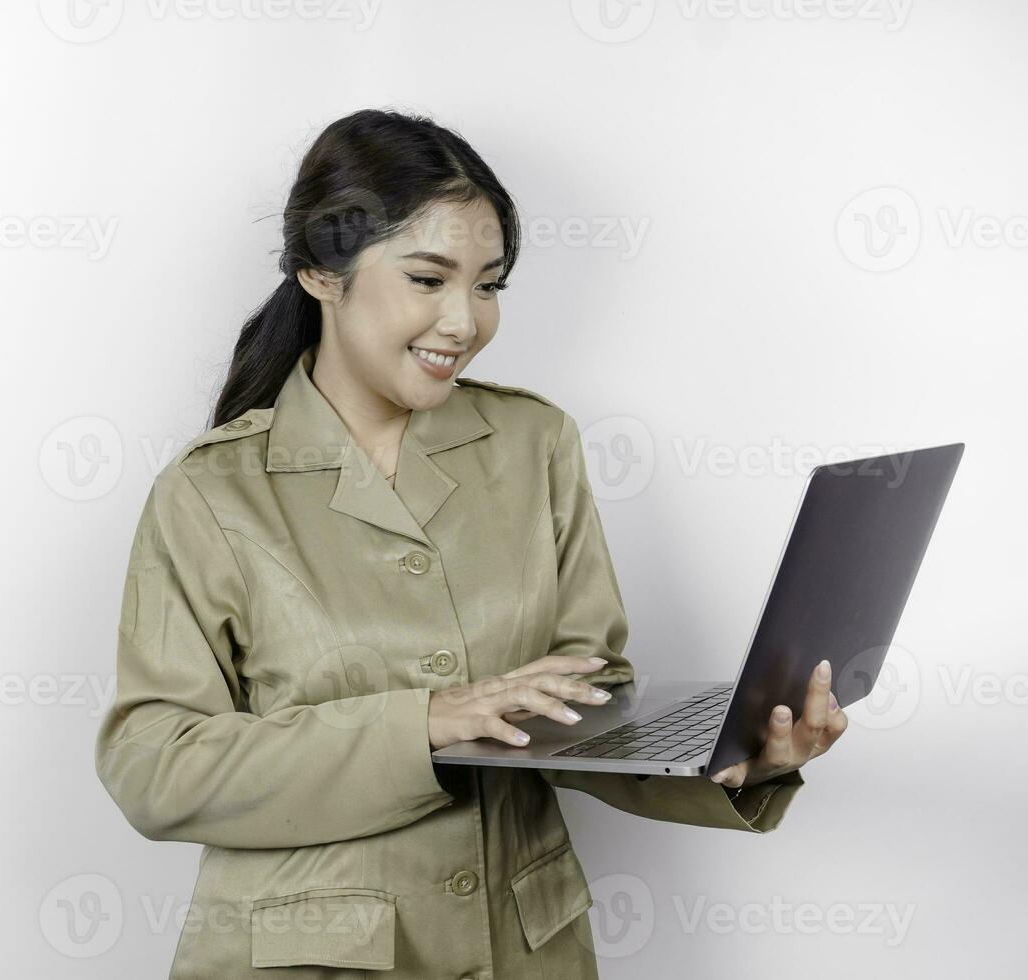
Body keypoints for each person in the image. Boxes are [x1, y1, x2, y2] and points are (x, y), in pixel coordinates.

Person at [94, 107, 847, 979]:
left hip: (523, 948)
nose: (464, 321)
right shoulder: (213, 491)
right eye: (427, 278)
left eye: (489, 285)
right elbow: (153, 766)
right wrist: (423, 723)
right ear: (319, 274)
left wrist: (742, 756)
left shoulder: (535, 446)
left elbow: (584, 708)